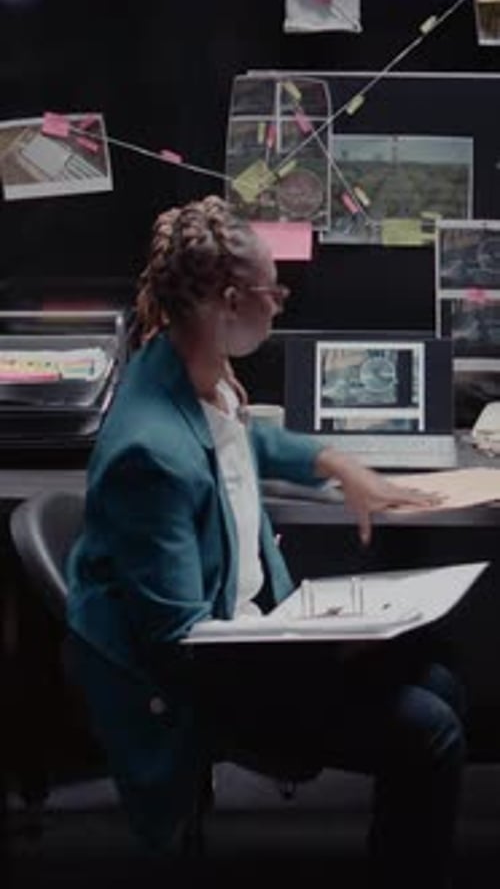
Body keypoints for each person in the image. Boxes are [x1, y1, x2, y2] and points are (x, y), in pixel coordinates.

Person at [66, 195, 465, 887]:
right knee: (430, 728)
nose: (280, 304)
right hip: (199, 679)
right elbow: (179, 642)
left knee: (441, 681)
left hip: (247, 638)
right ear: (228, 302)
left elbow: (242, 441)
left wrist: (338, 464)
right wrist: (319, 647)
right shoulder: (149, 454)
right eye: (273, 292)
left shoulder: (186, 368)